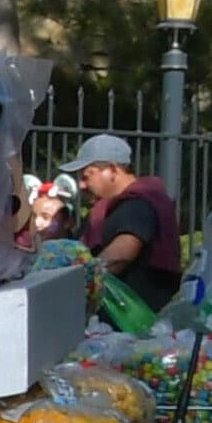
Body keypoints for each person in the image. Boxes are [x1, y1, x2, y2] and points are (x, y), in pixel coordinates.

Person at [65, 124, 182, 310]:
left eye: (87, 176)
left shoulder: (139, 204)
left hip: (132, 318)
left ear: (112, 169)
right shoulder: (108, 207)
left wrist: (81, 282)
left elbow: (121, 254)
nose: (81, 185)